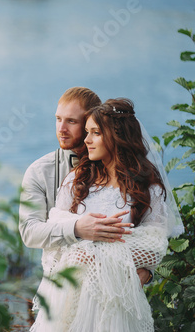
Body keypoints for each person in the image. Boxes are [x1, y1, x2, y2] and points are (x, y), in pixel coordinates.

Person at [30, 98, 183, 331]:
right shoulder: (77, 180)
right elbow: (55, 227)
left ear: (117, 138)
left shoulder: (146, 189)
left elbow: (154, 244)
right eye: (87, 132)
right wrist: (82, 230)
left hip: (116, 303)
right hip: (69, 302)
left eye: (95, 133)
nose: (86, 140)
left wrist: (90, 252)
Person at [19, 87, 152, 285]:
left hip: (118, 286)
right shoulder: (39, 172)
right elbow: (30, 232)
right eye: (58, 119)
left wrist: (148, 272)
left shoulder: (125, 169)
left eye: (71, 121)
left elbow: (151, 227)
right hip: (62, 285)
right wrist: (77, 228)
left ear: (91, 120)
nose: (61, 129)